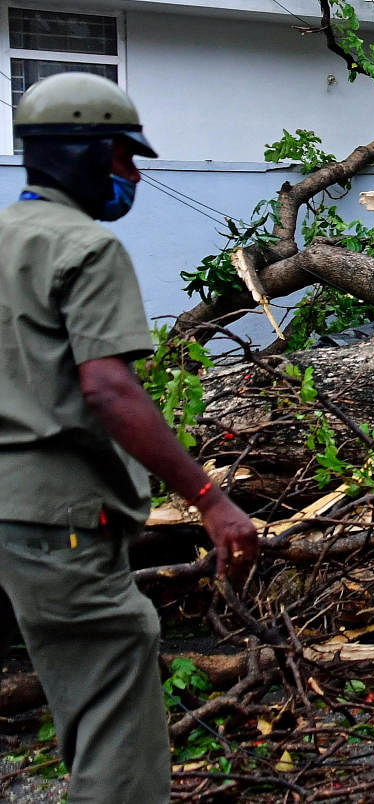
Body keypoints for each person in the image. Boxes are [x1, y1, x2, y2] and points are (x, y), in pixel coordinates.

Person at [0, 73, 259, 802]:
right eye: (123, 157)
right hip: (66, 519)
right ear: (82, 151)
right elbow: (110, 388)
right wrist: (209, 497)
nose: (135, 174)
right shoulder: (82, 248)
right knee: (118, 722)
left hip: (13, 520)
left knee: (82, 700)